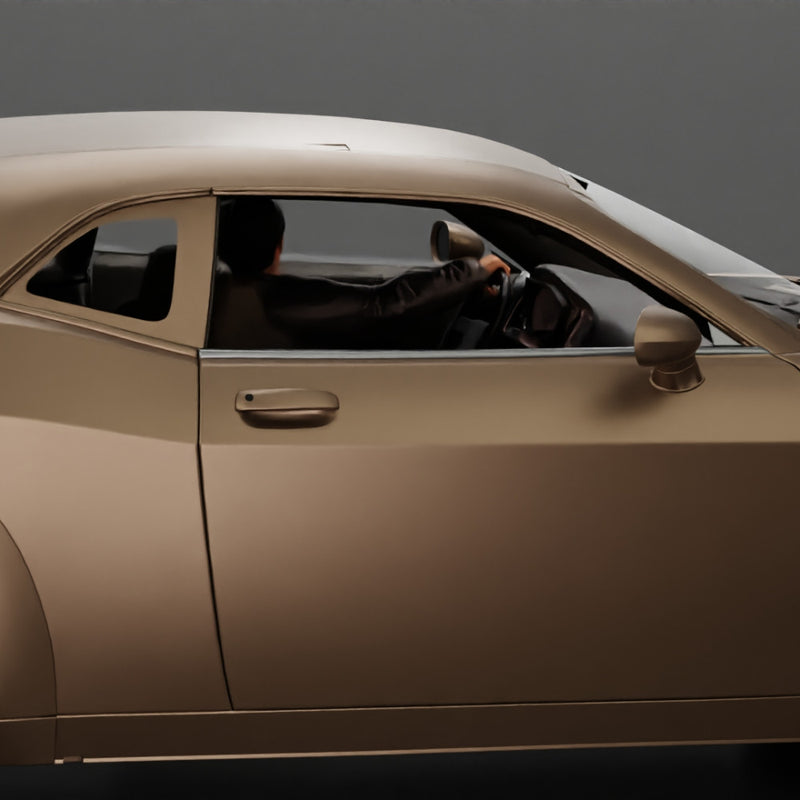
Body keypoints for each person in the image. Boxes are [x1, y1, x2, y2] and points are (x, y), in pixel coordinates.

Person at [209, 197, 510, 349]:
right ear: (280, 244)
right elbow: (382, 305)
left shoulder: (217, 293)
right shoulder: (276, 300)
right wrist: (474, 270)